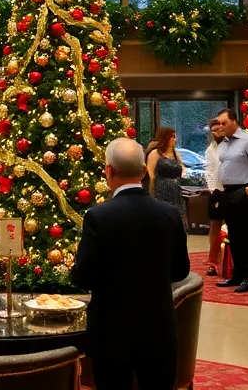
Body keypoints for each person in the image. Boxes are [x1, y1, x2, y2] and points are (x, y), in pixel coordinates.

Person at [72, 139, 189, 390]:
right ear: (144, 171)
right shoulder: (170, 213)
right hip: (159, 329)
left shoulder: (98, 216)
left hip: (111, 333)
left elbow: (84, 277)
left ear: (108, 171)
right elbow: (181, 270)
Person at [212, 108, 248, 292]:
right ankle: (237, 274)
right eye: (219, 123)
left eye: (224, 123)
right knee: (234, 236)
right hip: (227, 192)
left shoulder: (247, 141)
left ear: (234, 121)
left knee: (245, 236)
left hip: (242, 191)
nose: (220, 126)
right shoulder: (224, 144)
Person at [146, 127, 186, 225]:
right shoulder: (155, 153)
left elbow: (182, 167)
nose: (175, 140)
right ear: (166, 138)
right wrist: (152, 193)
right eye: (173, 137)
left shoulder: (176, 154)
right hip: (161, 190)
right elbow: (151, 174)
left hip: (176, 191)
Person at [204, 117, 225, 276]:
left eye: (219, 130)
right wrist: (212, 187)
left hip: (232, 190)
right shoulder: (210, 149)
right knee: (215, 226)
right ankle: (213, 261)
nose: (217, 133)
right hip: (217, 191)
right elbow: (210, 170)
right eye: (214, 131)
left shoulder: (231, 144)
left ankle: (228, 260)